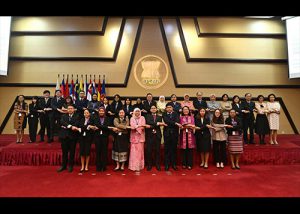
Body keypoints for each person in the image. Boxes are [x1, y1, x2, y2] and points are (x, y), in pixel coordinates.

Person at [57, 104, 80, 173]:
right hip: (64, 137)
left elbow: (76, 124)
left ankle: (70, 166)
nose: (70, 110)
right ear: (67, 109)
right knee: (64, 152)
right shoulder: (63, 116)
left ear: (74, 109)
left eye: (71, 108)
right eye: (68, 108)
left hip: (73, 137)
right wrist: (69, 126)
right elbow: (62, 122)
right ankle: (64, 166)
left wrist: (66, 126)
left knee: (72, 152)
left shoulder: (77, 116)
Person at [145, 105, 166, 171]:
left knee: (157, 151)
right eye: (152, 108)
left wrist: (154, 124)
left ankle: (157, 164)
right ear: (150, 110)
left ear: (156, 109)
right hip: (149, 135)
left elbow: (152, 124)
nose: (153, 109)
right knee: (149, 151)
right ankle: (149, 165)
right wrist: (157, 123)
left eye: (154, 108)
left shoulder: (160, 117)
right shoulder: (147, 116)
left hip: (157, 135)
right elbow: (148, 122)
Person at [162, 104, 182, 171]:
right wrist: (175, 123)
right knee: (167, 149)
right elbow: (166, 121)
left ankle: (174, 164)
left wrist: (175, 123)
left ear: (172, 108)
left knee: (174, 149)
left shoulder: (176, 113)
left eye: (170, 107)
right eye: (168, 107)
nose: (169, 108)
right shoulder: (164, 114)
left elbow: (178, 120)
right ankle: (167, 164)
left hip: (174, 134)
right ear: (166, 108)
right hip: (167, 134)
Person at [94, 107, 112, 172]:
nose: (101, 112)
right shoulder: (95, 118)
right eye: (100, 111)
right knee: (98, 152)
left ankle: (104, 166)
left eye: (102, 111)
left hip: (105, 137)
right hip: (97, 137)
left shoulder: (108, 118)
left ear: (104, 112)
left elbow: (108, 127)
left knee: (104, 152)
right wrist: (105, 127)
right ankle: (98, 166)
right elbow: (96, 125)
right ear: (98, 112)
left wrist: (101, 127)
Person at [129, 108, 146, 172]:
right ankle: (133, 166)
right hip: (133, 137)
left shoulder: (142, 118)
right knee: (133, 153)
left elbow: (143, 126)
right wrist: (137, 126)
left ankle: (139, 166)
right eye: (136, 111)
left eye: (138, 111)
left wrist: (137, 127)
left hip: (141, 137)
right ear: (133, 112)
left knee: (140, 152)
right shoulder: (132, 118)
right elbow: (132, 126)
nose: (137, 112)